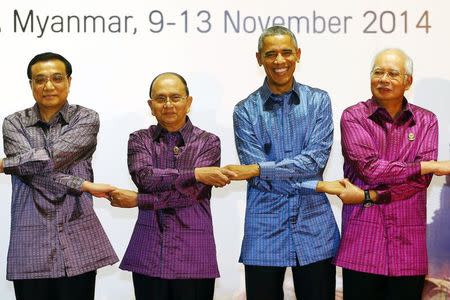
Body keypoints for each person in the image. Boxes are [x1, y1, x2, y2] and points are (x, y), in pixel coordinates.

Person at [225, 25, 343, 300]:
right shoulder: (244, 110)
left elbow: (315, 160)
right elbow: (256, 176)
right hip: (264, 228)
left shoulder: (318, 101)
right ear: (259, 58)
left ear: (298, 54)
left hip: (315, 228)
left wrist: (260, 169)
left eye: (286, 52)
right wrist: (314, 185)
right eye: (271, 54)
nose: (279, 60)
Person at [0, 52, 118, 300]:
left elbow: (47, 161)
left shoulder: (86, 118)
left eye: (56, 78)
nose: (49, 86)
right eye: (40, 80)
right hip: (30, 239)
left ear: (69, 81)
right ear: (31, 84)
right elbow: (35, 173)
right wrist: (82, 184)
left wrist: (8, 164)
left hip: (78, 239)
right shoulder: (13, 123)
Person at [334, 48, 450, 300]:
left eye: (392, 73)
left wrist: (369, 196)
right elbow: (370, 169)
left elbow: (421, 182)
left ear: (407, 81)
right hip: (362, 246)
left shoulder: (426, 121)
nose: (383, 79)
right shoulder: (354, 117)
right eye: (378, 72)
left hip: (408, 248)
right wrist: (425, 165)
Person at [109, 72, 236, 300]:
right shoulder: (140, 139)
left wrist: (139, 200)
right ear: (151, 105)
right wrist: (195, 173)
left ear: (188, 102)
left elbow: (191, 195)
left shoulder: (208, 142)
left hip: (193, 251)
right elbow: (145, 178)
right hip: (149, 250)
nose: (168, 104)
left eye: (175, 97)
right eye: (161, 98)